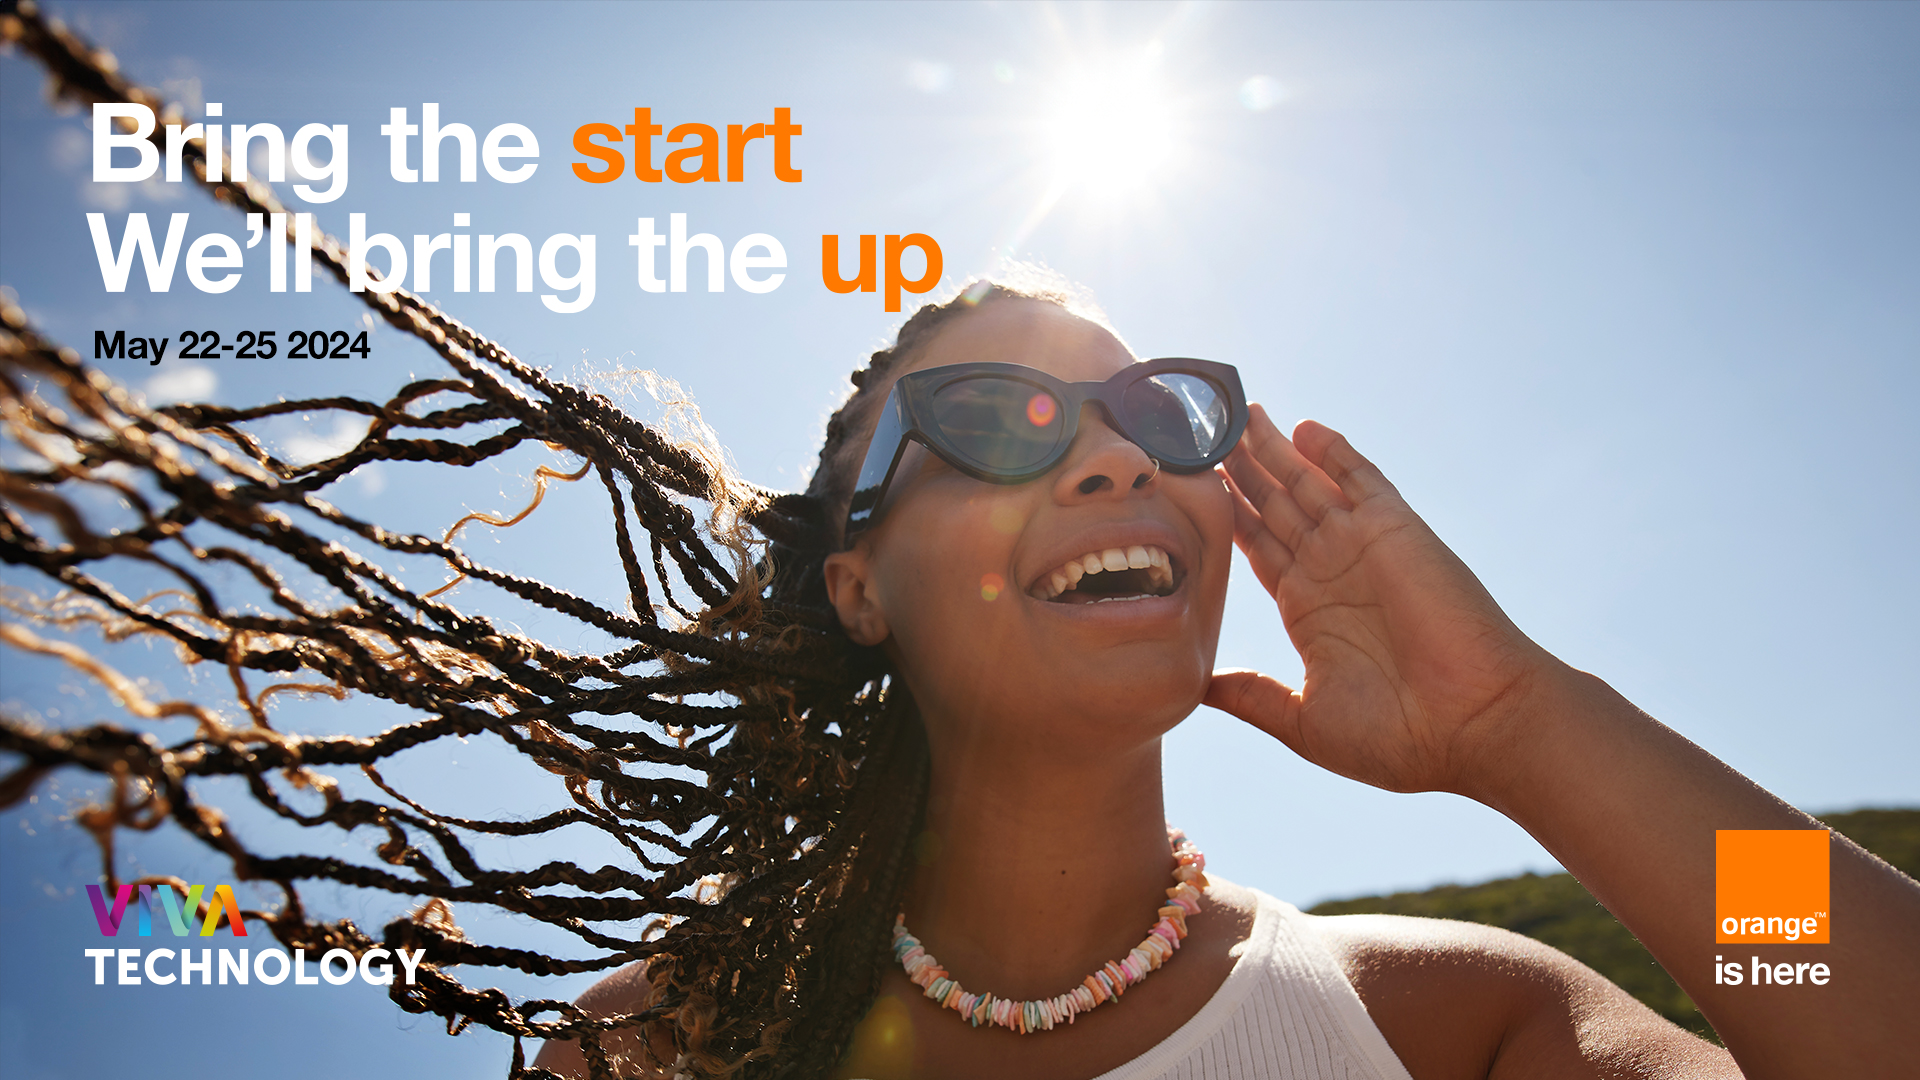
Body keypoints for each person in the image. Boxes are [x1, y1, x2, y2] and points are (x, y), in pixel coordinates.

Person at [530, 275, 1914, 1078]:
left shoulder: (1443, 1020)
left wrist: (1527, 726)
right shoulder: (659, 1047)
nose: (1120, 457)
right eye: (994, 422)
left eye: (1160, 413)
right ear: (859, 584)